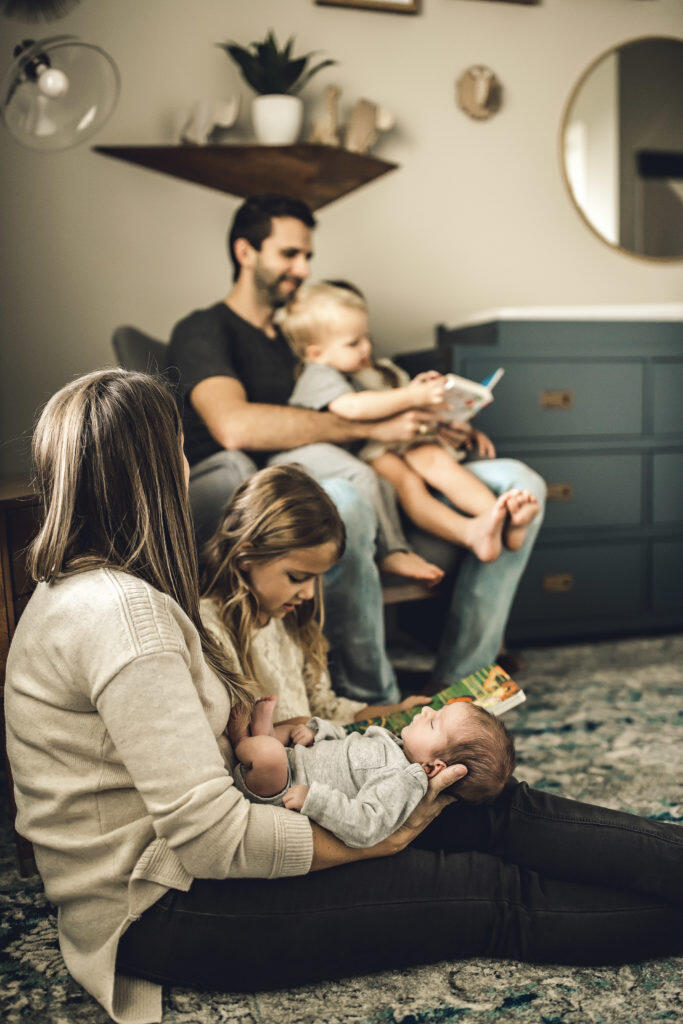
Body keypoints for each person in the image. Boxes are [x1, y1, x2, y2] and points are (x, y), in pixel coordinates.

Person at [5, 369, 682, 1024]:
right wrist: (370, 847)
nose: (189, 467)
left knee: (493, 810)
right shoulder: (124, 616)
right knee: (485, 893)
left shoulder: (108, 595)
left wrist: (283, 733)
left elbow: (173, 751)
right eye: (181, 450)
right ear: (156, 473)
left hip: (204, 849)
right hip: (163, 904)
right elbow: (210, 841)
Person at [167, 191, 546, 704]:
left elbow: (370, 398)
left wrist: (435, 426)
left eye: (307, 256)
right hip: (285, 485)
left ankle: (459, 682)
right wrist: (373, 432)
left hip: (372, 455)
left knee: (525, 482)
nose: (301, 268)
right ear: (245, 252)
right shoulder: (204, 330)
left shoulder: (304, 330)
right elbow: (235, 426)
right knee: (347, 501)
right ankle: (377, 699)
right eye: (289, 254)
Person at [282, 281, 540, 564]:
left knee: (439, 464)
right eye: (354, 343)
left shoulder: (377, 369)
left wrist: (432, 398)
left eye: (366, 337)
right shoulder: (318, 375)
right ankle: (469, 532)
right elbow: (353, 407)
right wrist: (411, 394)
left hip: (409, 439)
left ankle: (501, 517)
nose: (366, 347)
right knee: (408, 483)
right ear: (316, 353)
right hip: (371, 450)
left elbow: (406, 399)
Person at [200, 464, 432, 725]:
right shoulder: (210, 629)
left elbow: (327, 712)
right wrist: (296, 727)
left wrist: (397, 711)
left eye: (317, 578)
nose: (309, 594)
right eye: (297, 578)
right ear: (246, 556)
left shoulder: (291, 621)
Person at [229, 695, 515, 847]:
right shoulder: (396, 744)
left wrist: (314, 800)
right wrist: (318, 732)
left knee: (268, 756)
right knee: (291, 731)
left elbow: (365, 826)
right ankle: (263, 736)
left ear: (433, 766)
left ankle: (244, 742)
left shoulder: (401, 781)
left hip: (284, 790)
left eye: (433, 723)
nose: (427, 712)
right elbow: (348, 742)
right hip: (297, 759)